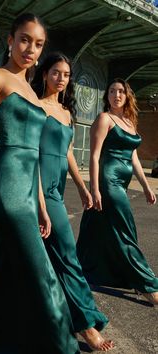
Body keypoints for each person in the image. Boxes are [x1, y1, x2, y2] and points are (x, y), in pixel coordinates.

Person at [0, 14, 80, 354]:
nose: (31, 49)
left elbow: (37, 157)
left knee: (7, 280)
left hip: (30, 191)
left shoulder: (32, 89)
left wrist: (42, 206)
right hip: (7, 188)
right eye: (25, 39)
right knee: (45, 280)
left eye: (39, 44)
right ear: (10, 40)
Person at [32, 52, 114, 351]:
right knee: (67, 255)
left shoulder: (66, 112)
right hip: (36, 187)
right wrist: (40, 205)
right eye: (56, 72)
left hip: (55, 188)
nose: (61, 78)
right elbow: (30, 155)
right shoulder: (35, 106)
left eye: (66, 74)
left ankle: (52, 317)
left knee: (54, 259)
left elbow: (66, 154)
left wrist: (82, 188)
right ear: (45, 74)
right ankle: (87, 326)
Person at [76, 78, 158, 306]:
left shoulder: (130, 122)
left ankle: (82, 269)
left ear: (127, 95)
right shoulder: (105, 119)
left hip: (122, 182)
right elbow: (94, 156)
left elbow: (133, 157)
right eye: (111, 91)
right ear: (107, 97)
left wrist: (145, 185)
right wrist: (94, 189)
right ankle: (147, 284)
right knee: (125, 230)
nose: (116, 95)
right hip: (108, 181)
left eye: (120, 91)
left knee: (98, 227)